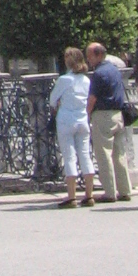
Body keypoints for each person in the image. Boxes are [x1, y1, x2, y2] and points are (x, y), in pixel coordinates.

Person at [84, 42, 131, 203]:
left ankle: (110, 192)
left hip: (103, 116)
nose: (88, 60)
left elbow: (92, 98)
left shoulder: (98, 74)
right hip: (118, 114)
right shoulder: (114, 70)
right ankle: (125, 190)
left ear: (98, 55)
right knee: (120, 154)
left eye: (89, 56)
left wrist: (87, 113)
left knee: (104, 154)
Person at [50, 48, 96, 208]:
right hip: (82, 119)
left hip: (66, 120)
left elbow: (52, 99)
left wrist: (58, 104)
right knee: (85, 155)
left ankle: (72, 196)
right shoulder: (86, 80)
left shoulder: (65, 80)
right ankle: (89, 195)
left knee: (69, 157)